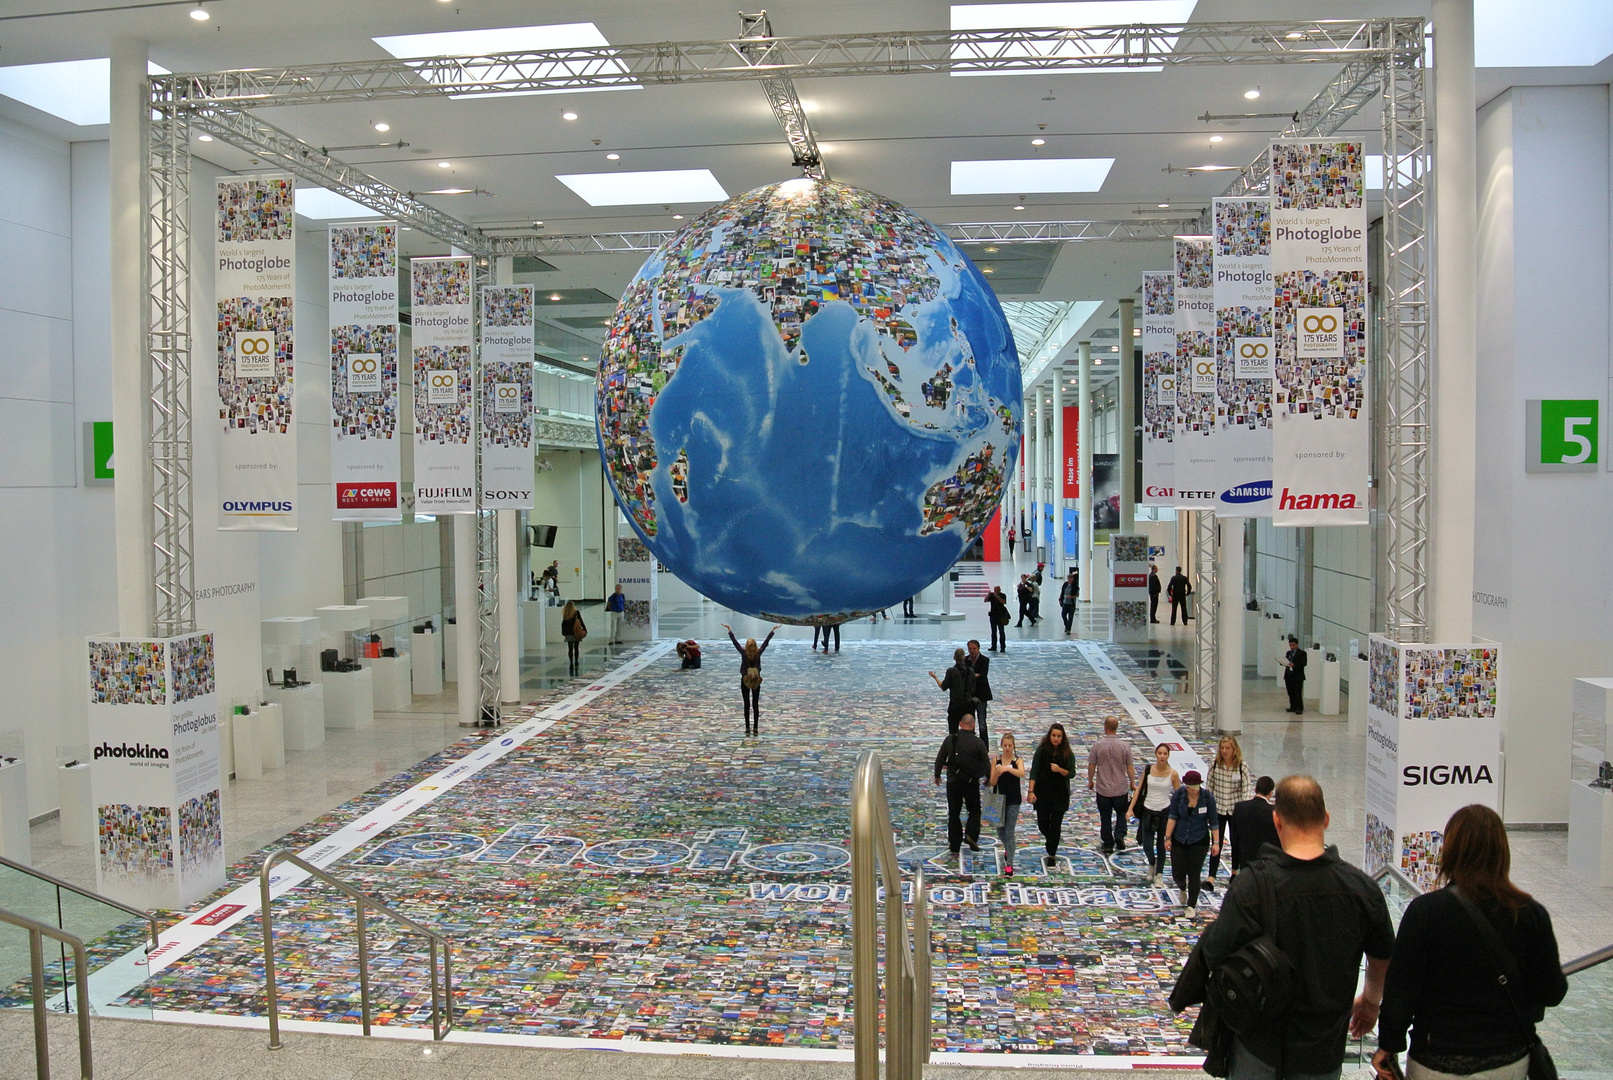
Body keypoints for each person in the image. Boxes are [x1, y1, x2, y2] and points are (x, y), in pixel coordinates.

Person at [1186, 775, 1395, 1080]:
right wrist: (1371, 1002)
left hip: (1259, 1046)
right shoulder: (1362, 890)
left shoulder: (1251, 886)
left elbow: (1215, 951)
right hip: (1323, 1048)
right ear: (1325, 819)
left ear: (1277, 821)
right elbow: (1382, 954)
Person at [1374, 804, 1568, 1080]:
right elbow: (1552, 991)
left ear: (1451, 851)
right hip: (1507, 1057)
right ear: (1502, 853)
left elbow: (1401, 992)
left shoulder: (1425, 912)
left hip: (1436, 1058)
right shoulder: (1529, 913)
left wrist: (1389, 1046)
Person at [933, 713, 991, 858]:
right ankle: (971, 834)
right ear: (973, 726)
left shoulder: (950, 740)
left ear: (960, 723)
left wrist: (937, 775)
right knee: (974, 810)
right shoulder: (978, 743)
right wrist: (989, 779)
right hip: (971, 783)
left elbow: (940, 758)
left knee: (954, 813)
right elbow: (986, 764)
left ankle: (954, 844)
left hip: (953, 782)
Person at [1205, 734, 1253, 890]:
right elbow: (1209, 786)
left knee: (1236, 842)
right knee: (1216, 843)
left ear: (1234, 749)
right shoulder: (1214, 764)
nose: (1224, 751)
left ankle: (1235, 873)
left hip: (1235, 810)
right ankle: (1211, 877)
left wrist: (1245, 808)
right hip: (1218, 809)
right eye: (1222, 748)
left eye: (1227, 748)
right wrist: (1208, 806)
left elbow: (1246, 788)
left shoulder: (1241, 766)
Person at [1164, 769, 1218, 907]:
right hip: (1179, 837)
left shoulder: (1207, 798)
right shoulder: (1179, 794)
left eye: (1193, 787)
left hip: (1199, 839)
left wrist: (1216, 842)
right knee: (1178, 872)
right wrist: (1167, 837)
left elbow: (1213, 822)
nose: (1190, 790)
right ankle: (1182, 887)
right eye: (1188, 787)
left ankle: (1191, 905)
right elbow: (1173, 816)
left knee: (1194, 873)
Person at [1127, 742, 1179, 886]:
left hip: (1164, 811)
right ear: (1156, 755)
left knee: (1161, 845)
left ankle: (1160, 874)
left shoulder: (1173, 773)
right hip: (1148, 810)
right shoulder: (1148, 770)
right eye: (1159, 753)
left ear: (1168, 756)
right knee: (1147, 844)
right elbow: (1138, 789)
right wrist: (1130, 808)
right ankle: (1152, 863)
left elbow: (1178, 796)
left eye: (1165, 754)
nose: (1162, 756)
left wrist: (1177, 815)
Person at [1027, 722, 1075, 868]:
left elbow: (1071, 773)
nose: (1056, 739)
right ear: (1049, 736)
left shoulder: (1068, 753)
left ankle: (1052, 854)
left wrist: (1060, 770)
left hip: (1060, 793)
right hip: (1043, 792)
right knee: (1042, 823)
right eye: (1053, 735)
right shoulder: (1042, 751)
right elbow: (1034, 771)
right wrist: (1030, 791)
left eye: (1058, 736)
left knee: (1056, 824)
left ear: (1063, 738)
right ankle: (1050, 839)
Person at [1086, 715, 1136, 854]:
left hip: (1103, 789)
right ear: (1117, 727)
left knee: (1105, 816)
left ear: (1105, 727)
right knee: (1121, 813)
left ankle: (1108, 843)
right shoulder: (1125, 746)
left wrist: (1090, 781)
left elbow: (1092, 765)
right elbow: (1130, 767)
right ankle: (1120, 836)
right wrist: (1132, 783)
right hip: (1121, 788)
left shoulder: (1097, 745)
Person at [723, 623, 778, 736]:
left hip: (745, 679)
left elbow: (735, 644)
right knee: (755, 703)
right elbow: (765, 644)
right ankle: (755, 727)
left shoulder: (744, 653)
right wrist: (772, 632)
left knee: (746, 703)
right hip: (756, 680)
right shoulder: (758, 653)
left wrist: (730, 631)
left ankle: (747, 727)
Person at [989, 733, 1026, 876]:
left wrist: (1007, 769)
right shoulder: (996, 760)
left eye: (1010, 746)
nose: (1007, 748)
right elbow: (992, 782)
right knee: (1000, 830)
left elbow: (1021, 773)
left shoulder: (1017, 760)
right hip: (999, 800)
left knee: (1010, 831)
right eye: (1005, 745)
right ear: (1001, 745)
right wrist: (997, 773)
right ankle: (1008, 848)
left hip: (1013, 800)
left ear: (1013, 746)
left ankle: (1009, 864)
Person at [1229, 775, 1280, 874]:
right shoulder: (1274, 812)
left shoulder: (1239, 808)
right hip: (1266, 863)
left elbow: (1234, 840)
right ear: (1270, 793)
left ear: (1256, 789)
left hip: (1245, 861)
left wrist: (1235, 867)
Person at [929, 648, 977, 735]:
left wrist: (935, 677)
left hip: (955, 705)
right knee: (970, 732)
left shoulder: (951, 671)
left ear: (954, 657)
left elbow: (943, 687)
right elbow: (973, 688)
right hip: (968, 705)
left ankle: (954, 747)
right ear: (964, 658)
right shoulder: (971, 670)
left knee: (953, 732)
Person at [965, 639, 993, 744]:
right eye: (970, 648)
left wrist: (970, 675)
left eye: (974, 648)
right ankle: (970, 744)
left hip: (981, 695)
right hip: (969, 695)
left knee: (982, 723)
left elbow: (983, 676)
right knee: (969, 722)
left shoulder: (984, 660)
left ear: (978, 649)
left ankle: (985, 746)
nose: (972, 651)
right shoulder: (965, 660)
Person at [1281, 634, 1308, 714]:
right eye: (1290, 645)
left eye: (1293, 645)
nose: (1291, 647)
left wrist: (1295, 665)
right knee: (1290, 692)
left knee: (1297, 692)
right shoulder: (1288, 653)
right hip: (1289, 675)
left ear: (1297, 644)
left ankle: (1299, 708)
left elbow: (1304, 663)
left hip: (1297, 676)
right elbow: (1286, 660)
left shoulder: (1302, 653)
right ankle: (1293, 706)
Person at [560, 600, 586, 675]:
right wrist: (584, 629)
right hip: (576, 633)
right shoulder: (576, 613)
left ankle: (571, 662)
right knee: (576, 648)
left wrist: (564, 633)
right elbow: (581, 621)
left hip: (568, 634)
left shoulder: (566, 614)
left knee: (570, 649)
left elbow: (563, 624)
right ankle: (576, 661)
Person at [986, 587, 1010, 652]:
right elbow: (985, 600)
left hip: (1000, 616)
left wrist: (997, 596)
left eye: (997, 590)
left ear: (999, 590)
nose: (995, 591)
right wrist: (988, 595)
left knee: (1001, 631)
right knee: (993, 632)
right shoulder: (992, 596)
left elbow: (1003, 602)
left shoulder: (1003, 595)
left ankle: (1002, 647)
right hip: (993, 615)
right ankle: (994, 646)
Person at [1059, 569, 1079, 635]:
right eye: (1068, 579)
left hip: (1071, 604)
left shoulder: (1075, 586)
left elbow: (1077, 594)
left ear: (1072, 579)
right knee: (1063, 615)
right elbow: (1062, 592)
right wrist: (1060, 599)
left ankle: (1068, 629)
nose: (1069, 580)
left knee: (1070, 617)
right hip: (1065, 602)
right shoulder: (1065, 585)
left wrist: (1071, 597)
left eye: (1070, 579)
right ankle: (1066, 625)